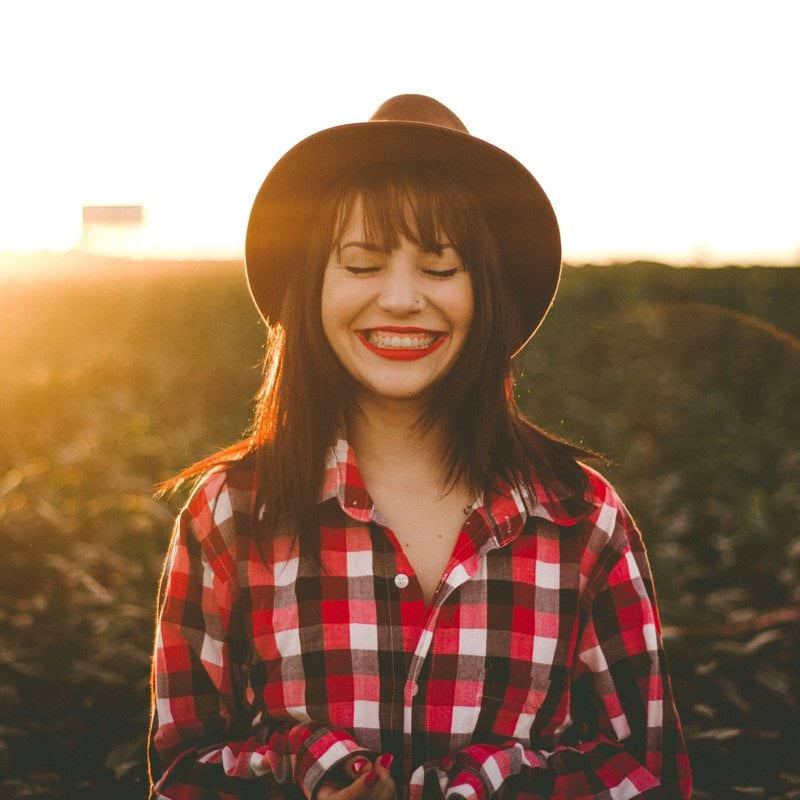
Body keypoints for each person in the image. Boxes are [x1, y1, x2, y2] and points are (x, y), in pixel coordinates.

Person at [148, 95, 692, 800]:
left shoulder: (583, 519)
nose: (402, 299)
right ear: (311, 287)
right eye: (363, 264)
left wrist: (482, 786)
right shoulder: (229, 514)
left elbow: (647, 776)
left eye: (441, 268)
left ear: (486, 291)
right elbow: (183, 771)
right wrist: (303, 769)